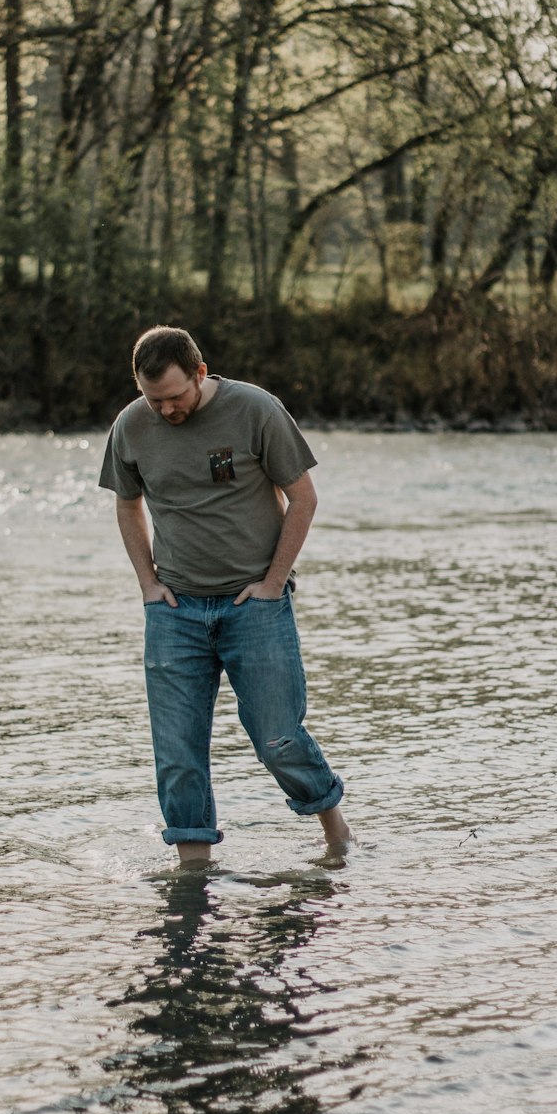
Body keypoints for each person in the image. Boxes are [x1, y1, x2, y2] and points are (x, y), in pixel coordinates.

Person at [99, 324, 353, 865]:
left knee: (278, 737)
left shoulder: (255, 409)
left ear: (199, 372)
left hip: (253, 607)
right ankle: (193, 876)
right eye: (154, 400)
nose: (167, 409)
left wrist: (272, 582)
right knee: (178, 754)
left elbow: (303, 497)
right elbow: (127, 505)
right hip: (175, 611)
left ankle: (336, 832)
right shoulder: (130, 426)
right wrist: (148, 584)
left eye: (176, 396)